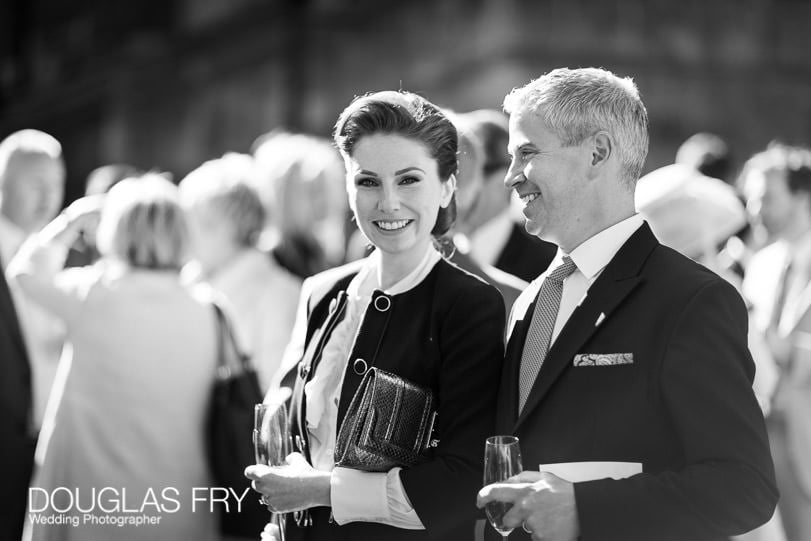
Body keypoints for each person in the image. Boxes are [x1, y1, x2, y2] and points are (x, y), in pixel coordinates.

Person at [476, 67, 777, 541]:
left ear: (597, 152)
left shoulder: (692, 300)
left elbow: (745, 487)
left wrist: (583, 509)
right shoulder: (531, 298)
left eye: (528, 153)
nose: (512, 176)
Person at [245, 90, 505, 541]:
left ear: (446, 187)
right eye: (368, 182)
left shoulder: (471, 306)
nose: (388, 203)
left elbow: (462, 483)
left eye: (408, 180)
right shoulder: (321, 292)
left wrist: (322, 491)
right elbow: (292, 433)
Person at [10, 174, 220, 541]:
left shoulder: (91, 294)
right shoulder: (208, 309)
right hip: (176, 505)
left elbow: (23, 272)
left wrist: (70, 223)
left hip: (94, 508)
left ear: (117, 231)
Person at [179, 153, 301, 391]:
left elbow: (274, 392)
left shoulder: (280, 295)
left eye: (202, 224)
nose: (189, 236)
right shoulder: (188, 285)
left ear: (234, 226)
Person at [741, 144, 811, 541]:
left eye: (766, 198)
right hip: (760, 452)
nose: (754, 210)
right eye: (751, 198)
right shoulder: (762, 264)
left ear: (802, 197)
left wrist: (793, 354)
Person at [0, 129, 67, 434]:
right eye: (37, 184)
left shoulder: (71, 254)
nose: (49, 196)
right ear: (4, 184)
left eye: (56, 184)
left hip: (55, 441)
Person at [457, 109, 556, 282]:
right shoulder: (430, 253)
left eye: (462, 171)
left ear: (501, 178)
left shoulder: (547, 264)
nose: (450, 186)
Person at [252, 132, 349, 279]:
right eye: (313, 191)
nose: (323, 201)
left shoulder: (319, 253)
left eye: (324, 189)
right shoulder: (267, 261)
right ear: (284, 198)